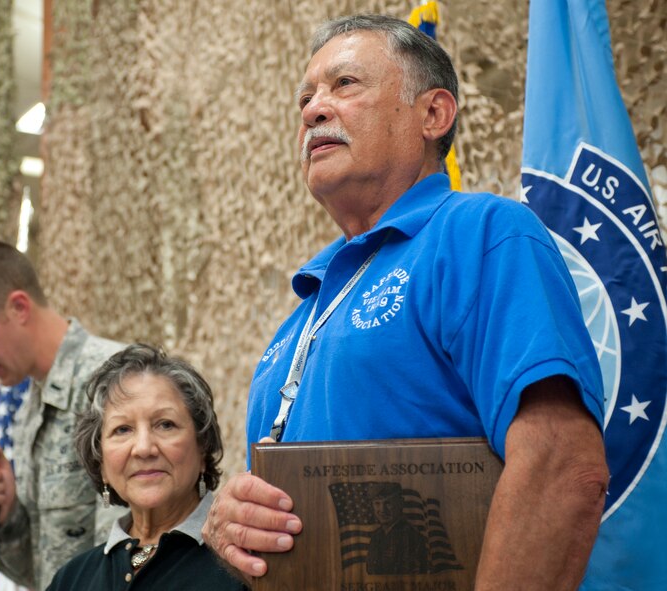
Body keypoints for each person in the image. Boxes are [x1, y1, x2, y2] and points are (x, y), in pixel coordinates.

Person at [203, 13, 609, 590]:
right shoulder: (304, 310)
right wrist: (231, 525)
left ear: (434, 114)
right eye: (306, 97)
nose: (313, 110)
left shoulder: (482, 234)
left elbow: (562, 467)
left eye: (345, 85)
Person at [0, 238, 125, 591]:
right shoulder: (29, 406)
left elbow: (128, 556)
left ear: (19, 307)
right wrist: (7, 516)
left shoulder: (115, 379)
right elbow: (40, 573)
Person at [46, 344, 246, 590]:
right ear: (101, 465)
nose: (143, 448)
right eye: (122, 429)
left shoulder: (246, 565)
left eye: (165, 424)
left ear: (202, 446)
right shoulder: (70, 581)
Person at [365, 483, 429, 575]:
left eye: (388, 503)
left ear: (401, 503)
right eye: (377, 503)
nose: (382, 509)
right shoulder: (376, 536)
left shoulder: (411, 537)